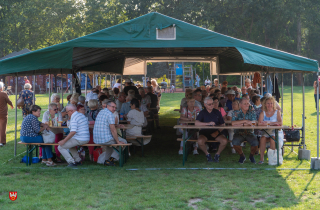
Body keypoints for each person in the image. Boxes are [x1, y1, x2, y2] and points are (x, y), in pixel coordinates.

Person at [93, 100, 127, 166]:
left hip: (96, 139)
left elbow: (107, 124)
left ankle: (107, 161)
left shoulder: (101, 112)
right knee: (124, 142)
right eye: (113, 107)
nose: (114, 109)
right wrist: (118, 141)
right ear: (107, 106)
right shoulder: (110, 114)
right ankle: (111, 159)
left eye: (115, 107)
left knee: (111, 145)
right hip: (105, 139)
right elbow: (113, 130)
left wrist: (116, 125)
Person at [195, 97, 228, 162]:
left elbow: (222, 124)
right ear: (205, 105)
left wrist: (217, 131)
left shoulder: (217, 112)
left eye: (212, 103)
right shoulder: (202, 112)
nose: (212, 105)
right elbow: (196, 123)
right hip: (204, 133)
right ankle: (207, 154)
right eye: (209, 104)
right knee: (200, 141)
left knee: (224, 141)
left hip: (216, 133)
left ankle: (217, 154)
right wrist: (208, 123)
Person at [231, 98, 259, 164]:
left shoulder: (252, 112)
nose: (247, 105)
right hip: (239, 133)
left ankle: (251, 156)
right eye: (245, 104)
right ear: (240, 105)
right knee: (235, 142)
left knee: (255, 143)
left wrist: (240, 123)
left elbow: (254, 123)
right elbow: (233, 123)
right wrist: (246, 121)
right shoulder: (235, 112)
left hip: (250, 133)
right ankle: (242, 156)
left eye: (247, 103)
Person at [258, 96, 282, 164]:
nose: (270, 105)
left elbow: (280, 123)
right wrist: (267, 124)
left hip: (275, 131)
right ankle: (261, 159)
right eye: (268, 103)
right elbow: (259, 123)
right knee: (262, 138)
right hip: (266, 132)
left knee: (272, 138)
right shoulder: (263, 113)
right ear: (265, 104)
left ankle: (271, 159)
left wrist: (268, 123)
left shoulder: (277, 112)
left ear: (273, 104)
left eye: (271, 103)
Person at [0, 82, 13, 146]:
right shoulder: (4, 94)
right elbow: (8, 101)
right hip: (3, 113)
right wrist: (12, 105)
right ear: (2, 88)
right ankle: (2, 142)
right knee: (3, 128)